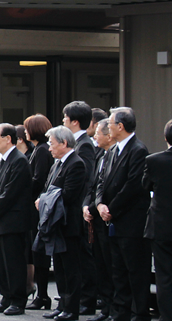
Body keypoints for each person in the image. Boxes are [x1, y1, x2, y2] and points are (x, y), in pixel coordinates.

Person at [95, 107, 151, 321]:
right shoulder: (112, 151)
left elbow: (133, 186)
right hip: (112, 220)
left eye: (110, 123)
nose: (107, 127)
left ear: (121, 126)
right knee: (117, 270)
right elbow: (101, 182)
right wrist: (100, 204)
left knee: (135, 270)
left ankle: (139, 312)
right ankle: (121, 311)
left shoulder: (138, 150)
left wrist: (111, 208)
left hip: (130, 221)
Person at [35, 126, 86, 321]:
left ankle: (72, 309)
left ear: (64, 143)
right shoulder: (57, 164)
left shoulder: (76, 164)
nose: (49, 148)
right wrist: (44, 197)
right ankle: (62, 304)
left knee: (71, 269)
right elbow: (48, 189)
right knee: (59, 268)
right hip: (55, 224)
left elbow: (69, 195)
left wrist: (45, 199)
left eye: (52, 144)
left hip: (68, 224)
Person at [0, 123, 34, 316]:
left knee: (14, 263)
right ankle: (5, 297)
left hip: (13, 221)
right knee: (1, 263)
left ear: (8, 139)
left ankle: (17, 300)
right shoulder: (3, 161)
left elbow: (11, 192)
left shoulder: (19, 161)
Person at [62, 101, 100, 316]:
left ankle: (87, 299)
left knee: (83, 257)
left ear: (75, 122)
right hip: (77, 209)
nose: (64, 122)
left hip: (79, 209)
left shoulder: (84, 144)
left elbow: (86, 179)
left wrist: (85, 204)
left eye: (65, 118)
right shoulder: (78, 142)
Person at [83, 117, 115, 321]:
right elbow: (93, 185)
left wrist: (97, 207)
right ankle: (106, 308)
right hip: (96, 215)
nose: (95, 136)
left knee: (112, 267)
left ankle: (113, 308)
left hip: (110, 217)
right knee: (101, 265)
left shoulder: (116, 155)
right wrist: (87, 205)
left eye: (99, 133)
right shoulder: (100, 155)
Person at [24, 114, 54, 310]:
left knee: (40, 254)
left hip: (38, 208)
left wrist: (23, 191)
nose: (25, 132)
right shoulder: (38, 150)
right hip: (35, 207)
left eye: (27, 128)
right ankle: (40, 294)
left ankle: (42, 295)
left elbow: (38, 179)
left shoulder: (42, 151)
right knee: (36, 253)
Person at [143, 119, 172, 321]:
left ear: (165, 137)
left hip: (161, 224)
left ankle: (167, 315)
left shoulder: (153, 161)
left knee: (164, 275)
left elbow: (145, 186)